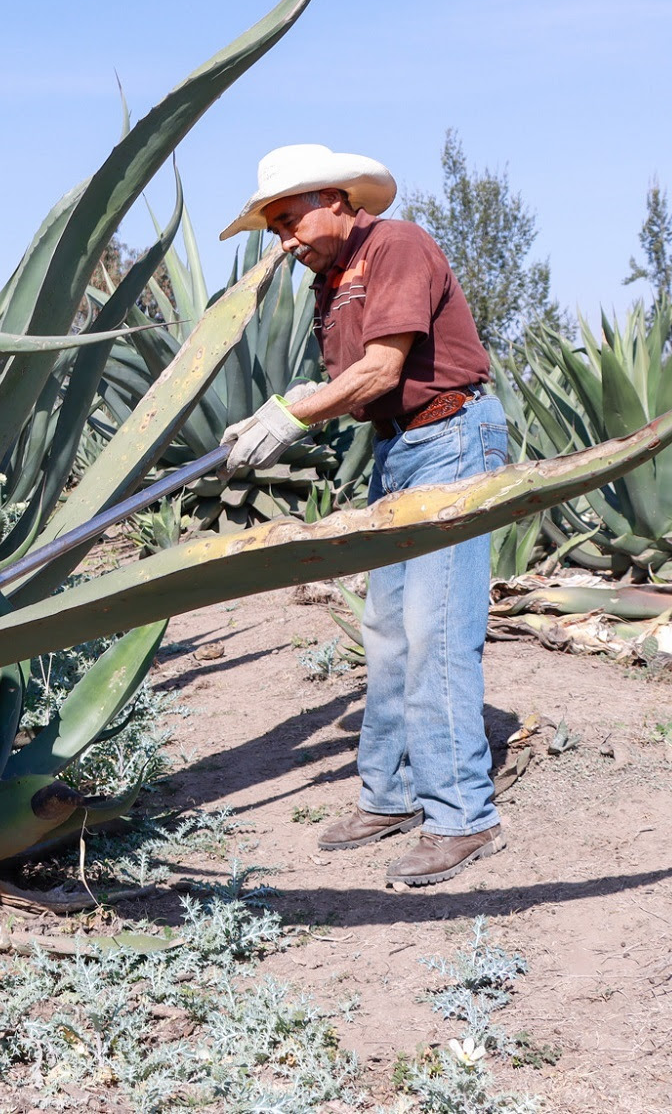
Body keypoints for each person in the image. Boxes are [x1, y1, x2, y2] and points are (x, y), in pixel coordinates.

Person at [217, 143, 509, 888]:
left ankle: (463, 818)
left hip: (452, 439)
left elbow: (380, 368)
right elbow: (351, 385)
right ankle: (391, 795)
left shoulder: (398, 245)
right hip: (398, 451)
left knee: (435, 629)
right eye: (275, 227)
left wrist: (284, 416)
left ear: (340, 200)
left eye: (291, 220)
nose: (285, 239)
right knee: (384, 629)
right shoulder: (331, 282)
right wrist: (278, 418)